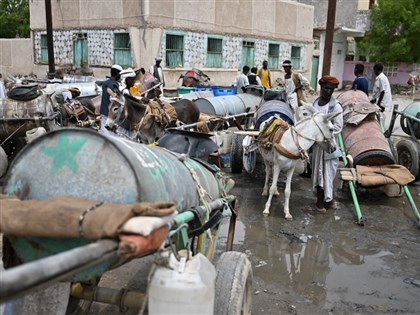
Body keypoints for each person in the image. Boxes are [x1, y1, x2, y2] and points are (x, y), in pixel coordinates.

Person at [310, 75, 343, 213]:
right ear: (321, 88)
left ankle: (320, 205)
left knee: (326, 174)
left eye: (331, 89)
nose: (328, 91)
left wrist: (322, 132)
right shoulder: (315, 104)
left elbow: (338, 127)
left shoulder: (336, 107)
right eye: (326, 88)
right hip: (317, 146)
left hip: (329, 146)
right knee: (318, 173)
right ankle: (329, 202)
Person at [100, 64, 122, 132]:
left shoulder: (105, 83)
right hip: (109, 115)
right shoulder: (114, 85)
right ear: (118, 74)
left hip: (103, 112)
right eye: (120, 74)